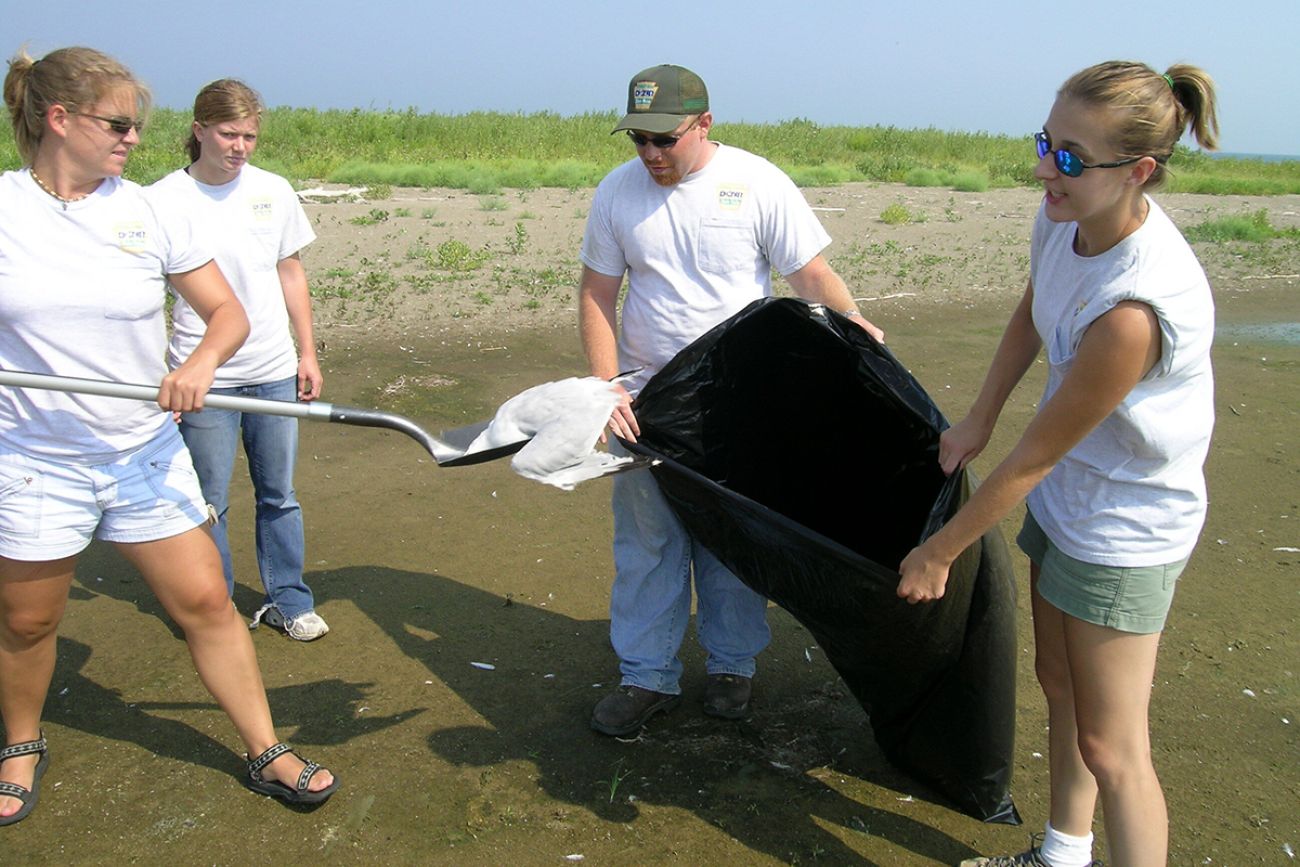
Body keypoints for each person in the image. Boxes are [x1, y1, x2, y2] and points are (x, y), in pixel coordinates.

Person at [0, 46, 338, 827]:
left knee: (207, 601)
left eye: (137, 126)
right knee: (27, 621)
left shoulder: (144, 209)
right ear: (59, 119)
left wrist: (199, 365)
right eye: (118, 124)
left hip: (140, 450)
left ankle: (264, 746)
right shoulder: (9, 209)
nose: (132, 139)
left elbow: (228, 314)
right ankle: (19, 741)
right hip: (33, 458)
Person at [896, 61, 1218, 867]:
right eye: (1047, 142)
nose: (1046, 168)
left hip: (1126, 526)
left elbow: (1034, 459)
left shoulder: (1136, 311)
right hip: (1071, 499)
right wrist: (978, 413)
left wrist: (941, 550)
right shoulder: (1063, 218)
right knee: (1059, 683)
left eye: (1071, 157)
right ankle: (1062, 854)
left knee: (1115, 749)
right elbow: (1035, 307)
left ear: (1138, 171)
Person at [578, 64, 884, 737]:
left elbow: (808, 272)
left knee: (733, 543)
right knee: (647, 545)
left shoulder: (756, 183)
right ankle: (645, 675)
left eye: (666, 139)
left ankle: (732, 667)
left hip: (740, 405)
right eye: (639, 141)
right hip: (644, 402)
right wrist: (606, 388)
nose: (652, 155)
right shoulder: (616, 194)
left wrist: (855, 325)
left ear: (704, 124)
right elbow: (598, 294)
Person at [150, 79, 327, 641]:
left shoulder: (273, 191)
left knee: (280, 494)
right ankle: (215, 606)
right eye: (228, 133)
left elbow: (290, 272)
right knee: (208, 500)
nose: (240, 146)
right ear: (199, 130)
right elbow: (140, 297)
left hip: (274, 371)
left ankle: (289, 600)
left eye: (249, 135)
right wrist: (167, 376)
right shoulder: (160, 200)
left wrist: (307, 353)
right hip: (204, 381)